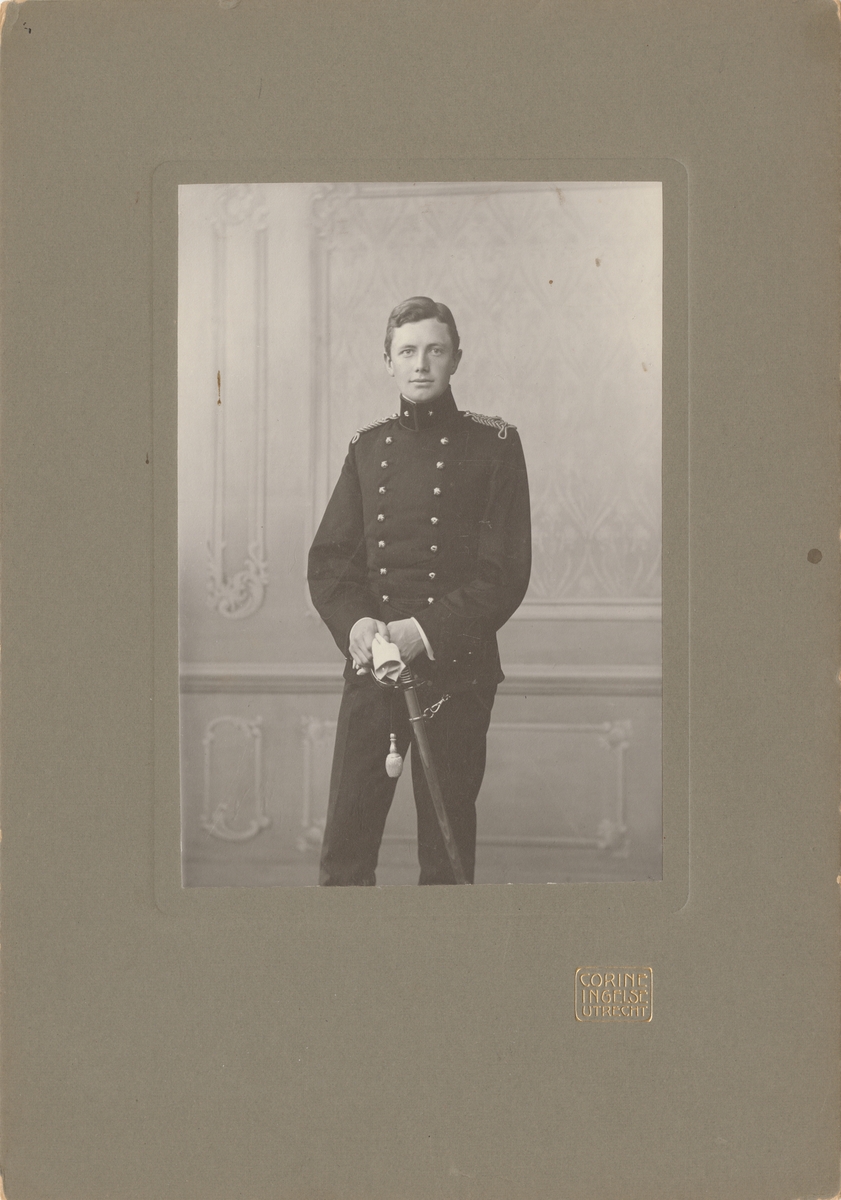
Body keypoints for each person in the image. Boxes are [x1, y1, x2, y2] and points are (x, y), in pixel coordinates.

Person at [307, 297, 531, 885]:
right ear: (388, 362)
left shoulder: (495, 444)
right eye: (407, 351)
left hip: (456, 677)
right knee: (345, 855)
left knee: (446, 859)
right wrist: (357, 625)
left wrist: (422, 632)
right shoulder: (366, 447)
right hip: (373, 672)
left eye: (435, 350)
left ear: (456, 358)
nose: (421, 364)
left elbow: (504, 574)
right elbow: (331, 563)